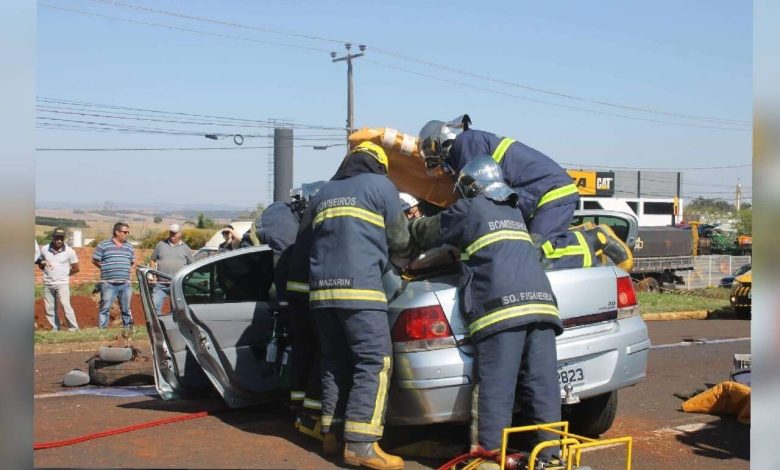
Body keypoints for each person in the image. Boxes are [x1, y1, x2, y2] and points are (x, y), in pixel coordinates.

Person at [408, 155, 563, 468]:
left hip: (501, 309)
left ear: (470, 187)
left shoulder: (469, 208)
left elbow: (428, 232)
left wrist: (409, 222)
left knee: (496, 384)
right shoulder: (515, 211)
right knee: (542, 383)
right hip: (543, 305)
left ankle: (488, 457)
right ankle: (551, 457)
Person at [308, 141, 411, 469]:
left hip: (321, 295)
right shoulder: (381, 185)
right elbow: (400, 239)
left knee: (334, 362)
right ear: (378, 165)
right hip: (361, 292)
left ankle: (332, 435)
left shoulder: (323, 192)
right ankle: (362, 445)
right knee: (374, 362)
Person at [418, 115, 632, 271]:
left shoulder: (466, 144)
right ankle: (588, 247)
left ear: (439, 143)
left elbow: (478, 203)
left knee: (537, 257)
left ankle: (595, 239)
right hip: (541, 194)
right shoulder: (473, 142)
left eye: (435, 158)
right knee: (533, 252)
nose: (442, 168)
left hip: (549, 192)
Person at [285, 181, 326, 439]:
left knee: (302, 351)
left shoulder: (300, 227)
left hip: (297, 297)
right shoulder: (317, 225)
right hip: (311, 297)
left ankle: (298, 407)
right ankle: (311, 414)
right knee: (320, 352)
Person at [255, 189, 301, 300]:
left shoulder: (281, 207)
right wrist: (283, 303)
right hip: (250, 282)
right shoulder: (288, 234)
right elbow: (282, 271)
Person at [92, 222, 135, 329]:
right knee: (105, 308)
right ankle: (102, 329)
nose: (127, 234)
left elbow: (132, 262)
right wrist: (106, 268)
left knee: (126, 308)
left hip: (125, 283)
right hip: (108, 283)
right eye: (125, 232)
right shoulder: (104, 245)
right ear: (117, 232)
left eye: (127, 232)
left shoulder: (129, 247)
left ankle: (128, 328)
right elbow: (95, 260)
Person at [38, 227, 80, 331]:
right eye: (57, 238)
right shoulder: (44, 249)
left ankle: (74, 329)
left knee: (66, 306)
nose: (59, 241)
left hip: (62, 284)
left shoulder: (70, 251)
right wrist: (43, 266)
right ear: (52, 237)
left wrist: (65, 275)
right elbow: (41, 263)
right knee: (50, 308)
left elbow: (76, 268)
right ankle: (55, 328)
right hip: (48, 283)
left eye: (61, 238)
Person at [149, 224, 194, 316]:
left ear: (180, 234)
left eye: (175, 233)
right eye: (171, 232)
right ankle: (158, 327)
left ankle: (173, 328)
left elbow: (192, 265)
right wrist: (154, 277)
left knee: (176, 310)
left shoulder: (186, 248)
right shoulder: (161, 245)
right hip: (160, 284)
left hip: (177, 284)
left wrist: (185, 279)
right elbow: (152, 260)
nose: (172, 235)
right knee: (155, 307)